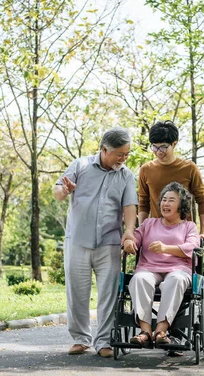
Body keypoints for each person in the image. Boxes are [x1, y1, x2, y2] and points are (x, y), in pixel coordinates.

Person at [53, 127, 138, 358]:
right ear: (104, 149)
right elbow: (58, 190)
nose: (124, 158)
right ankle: (81, 339)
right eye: (120, 154)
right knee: (77, 293)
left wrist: (129, 232)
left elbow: (130, 206)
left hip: (109, 242)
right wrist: (64, 190)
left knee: (108, 294)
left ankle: (104, 342)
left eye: (127, 154)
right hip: (78, 241)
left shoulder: (126, 175)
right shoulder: (80, 165)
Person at [123, 181, 200, 347]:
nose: (165, 203)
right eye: (164, 199)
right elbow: (135, 237)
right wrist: (129, 242)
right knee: (139, 279)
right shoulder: (149, 224)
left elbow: (193, 247)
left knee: (176, 280)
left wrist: (166, 248)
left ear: (182, 204)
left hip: (178, 269)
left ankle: (161, 330)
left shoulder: (189, 226)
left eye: (171, 200)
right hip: (149, 268)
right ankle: (145, 331)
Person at [135, 120, 204, 244]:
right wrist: (142, 232)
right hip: (155, 235)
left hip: (183, 236)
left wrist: (203, 232)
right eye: (154, 146)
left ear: (174, 144)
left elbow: (202, 200)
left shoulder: (189, 168)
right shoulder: (146, 170)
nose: (159, 151)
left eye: (163, 147)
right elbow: (143, 203)